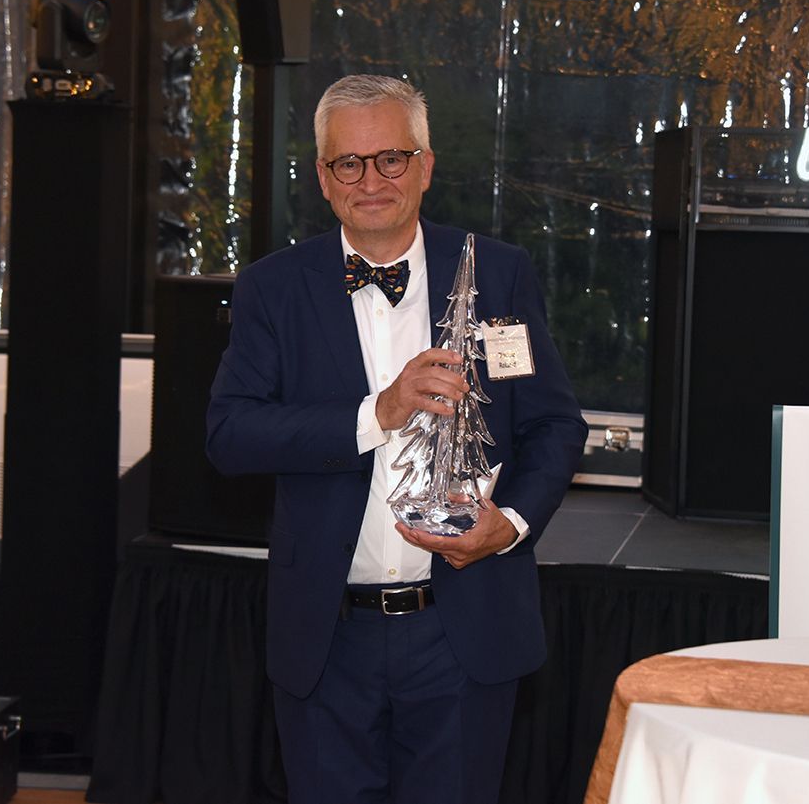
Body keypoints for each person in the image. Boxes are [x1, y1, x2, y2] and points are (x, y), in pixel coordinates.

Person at [206, 73, 586, 804]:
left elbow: (554, 425)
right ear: (322, 176)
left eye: (391, 158)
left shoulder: (497, 273)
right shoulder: (272, 289)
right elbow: (229, 433)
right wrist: (376, 411)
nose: (370, 179)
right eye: (349, 162)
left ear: (426, 165)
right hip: (327, 635)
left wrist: (509, 526)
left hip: (463, 629)